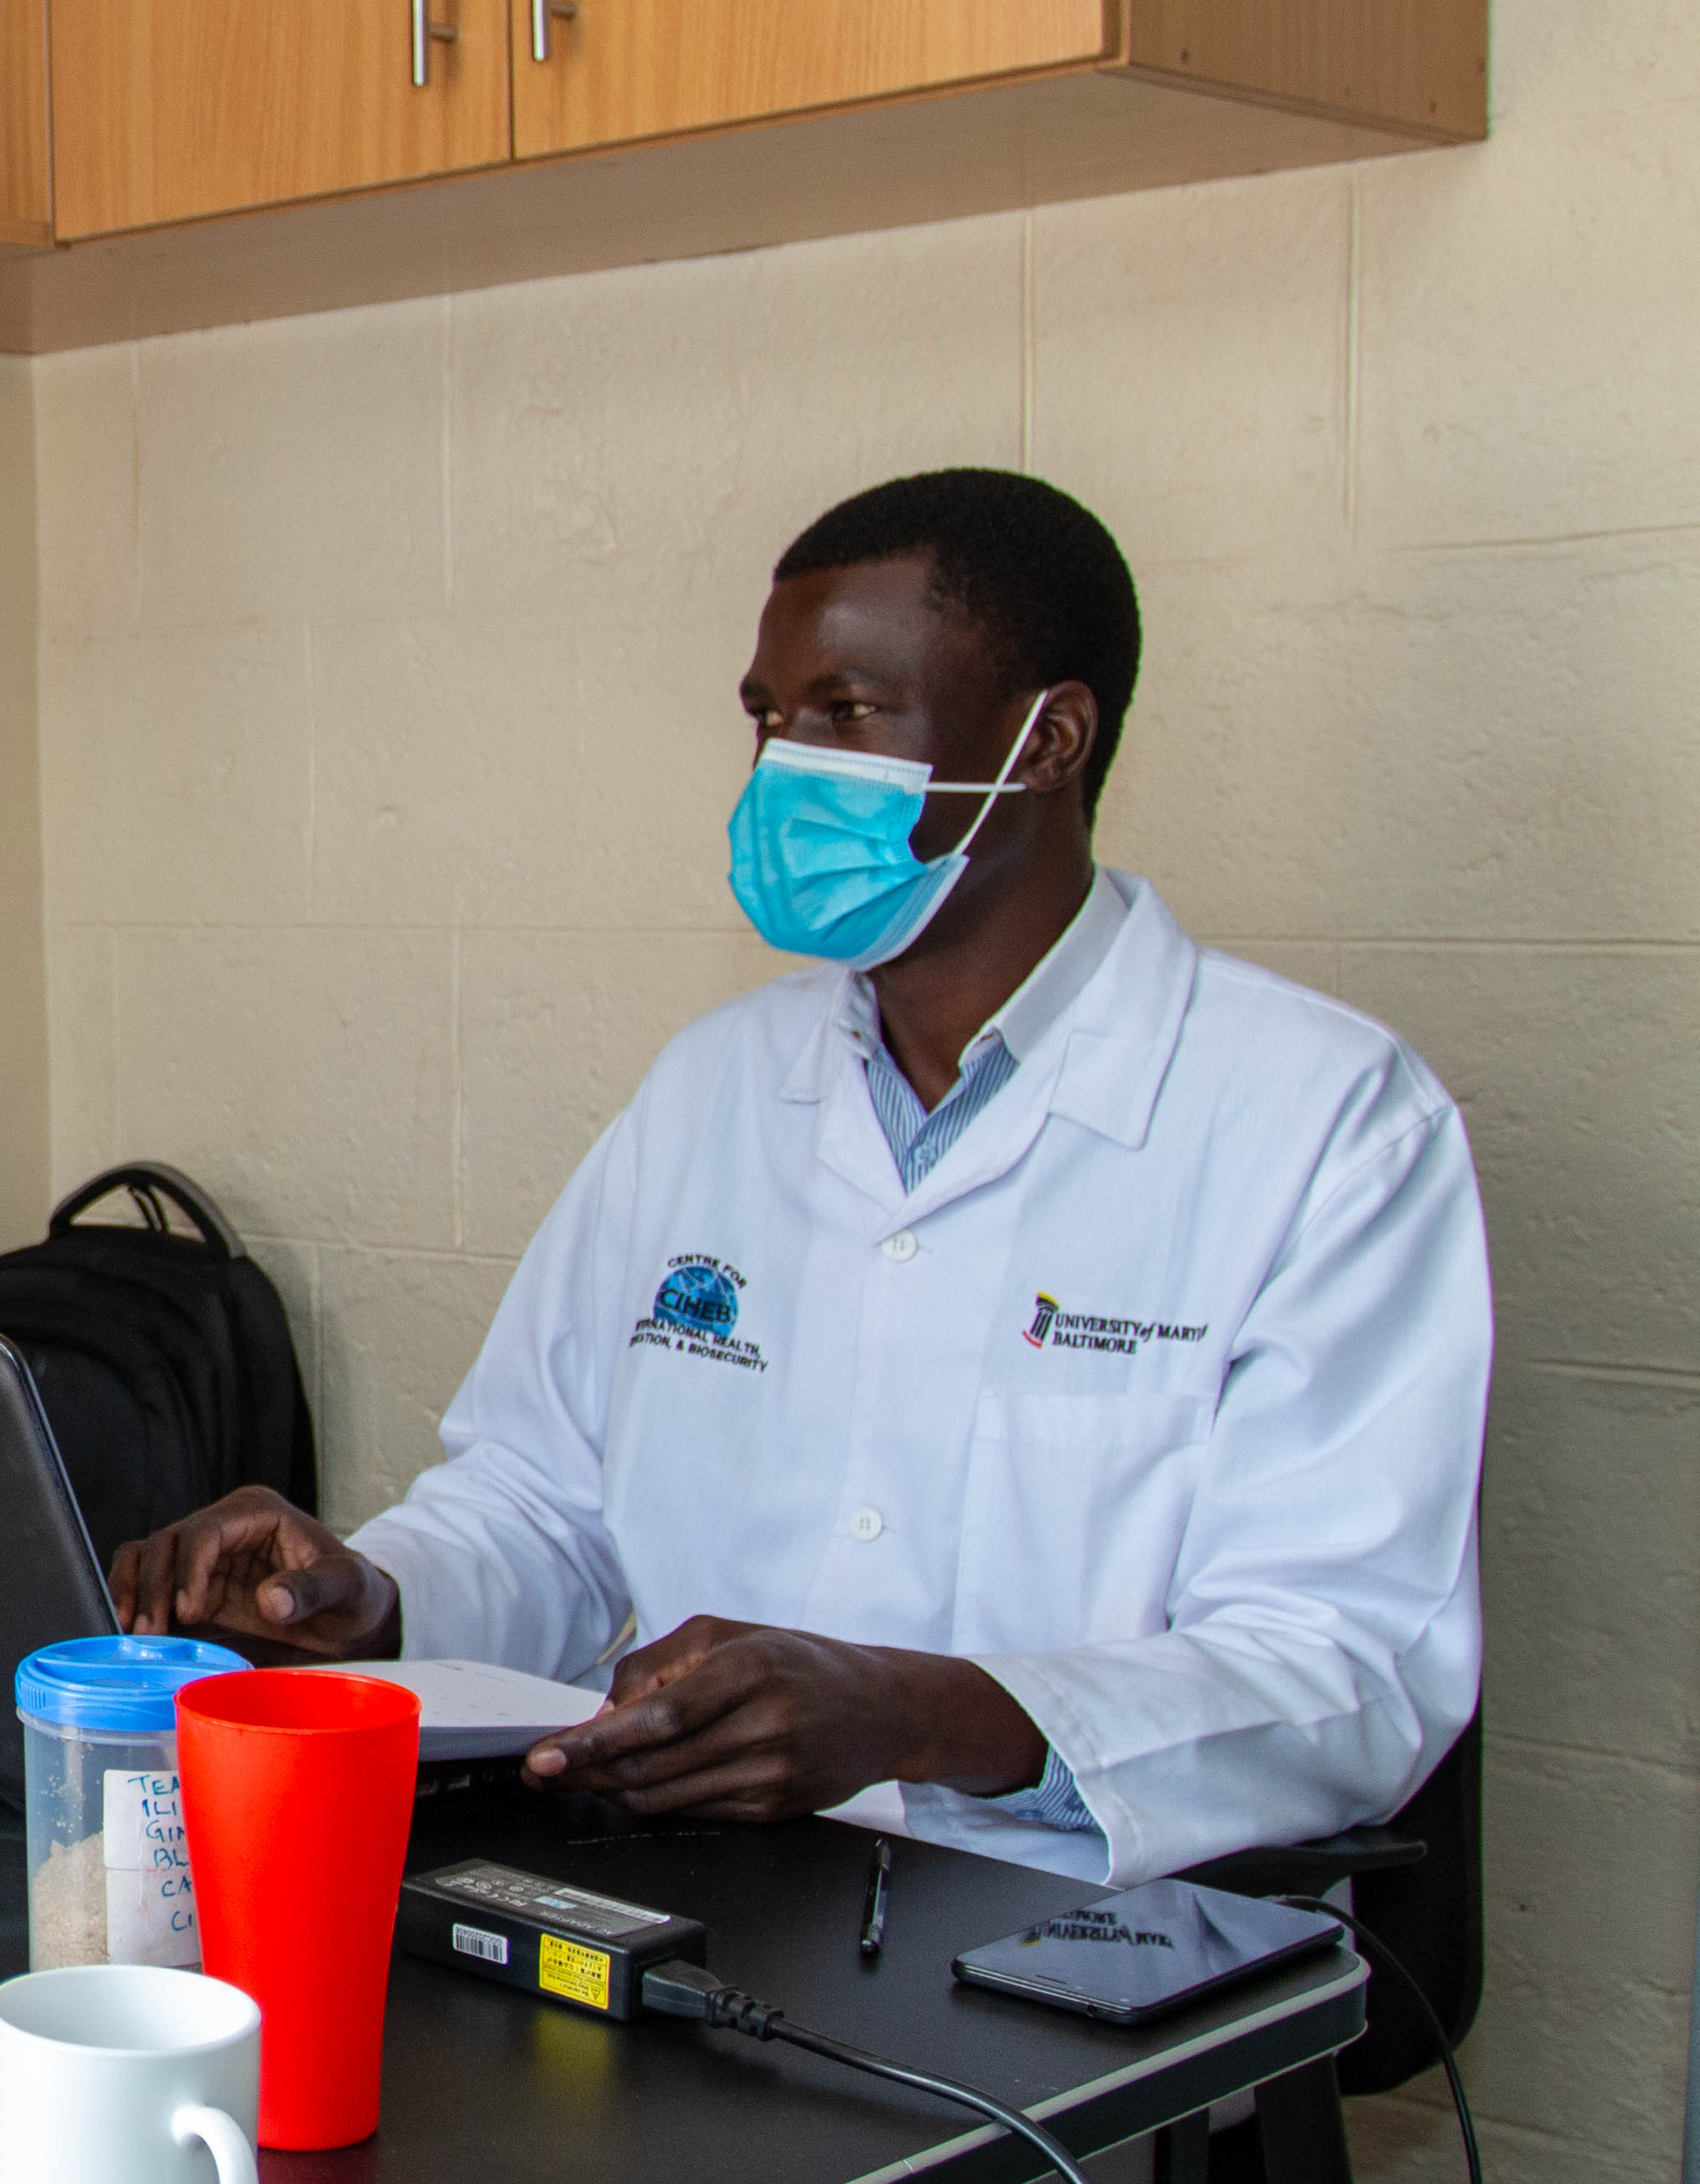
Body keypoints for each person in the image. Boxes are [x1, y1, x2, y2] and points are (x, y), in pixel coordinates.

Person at [111, 470, 1488, 1888]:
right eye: (768, 719)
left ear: (1046, 740)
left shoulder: (1325, 1121)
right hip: (687, 1881)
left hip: (1066, 1916)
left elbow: (1342, 1659)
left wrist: (918, 1711)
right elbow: (540, 1498)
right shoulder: (713, 1085)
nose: (785, 768)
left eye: (846, 711)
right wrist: (368, 1594)